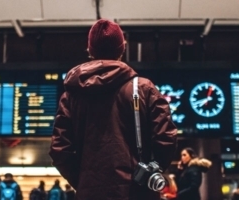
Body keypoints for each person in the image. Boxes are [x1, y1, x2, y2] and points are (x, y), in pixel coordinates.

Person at [49, 19, 177, 200]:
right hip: (136, 193)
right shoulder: (144, 89)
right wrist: (150, 172)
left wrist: (85, 182)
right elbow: (166, 138)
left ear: (90, 50)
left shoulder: (71, 96)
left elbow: (59, 150)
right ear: (122, 49)